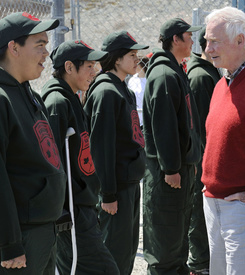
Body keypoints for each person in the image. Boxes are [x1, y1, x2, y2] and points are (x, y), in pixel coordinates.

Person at [0, 12, 67, 274]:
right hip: (18, 240)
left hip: (42, 231)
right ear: (13, 48)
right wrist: (10, 244)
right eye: (40, 45)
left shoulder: (29, 93)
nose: (47, 53)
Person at [41, 40, 120, 275]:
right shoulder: (57, 102)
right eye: (89, 66)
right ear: (69, 67)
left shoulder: (73, 97)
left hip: (84, 204)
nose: (94, 72)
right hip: (71, 212)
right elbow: (52, 162)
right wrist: (62, 208)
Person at [84, 30, 148, 275]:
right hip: (117, 187)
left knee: (128, 249)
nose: (137, 59)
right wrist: (108, 193)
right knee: (114, 251)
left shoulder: (123, 88)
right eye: (132, 55)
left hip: (129, 182)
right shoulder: (106, 92)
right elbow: (101, 147)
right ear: (117, 59)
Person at [202, 6, 245, 275]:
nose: (207, 47)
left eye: (214, 40)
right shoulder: (221, 83)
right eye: (206, 40)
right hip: (214, 202)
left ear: (240, 40)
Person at [142, 18, 201, 274]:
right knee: (166, 243)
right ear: (175, 40)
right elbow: (164, 126)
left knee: (177, 236)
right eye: (188, 36)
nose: (192, 41)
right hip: (169, 174)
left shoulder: (175, 69)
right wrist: (171, 168)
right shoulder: (164, 74)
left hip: (179, 169)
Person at [186, 27, 221, 275]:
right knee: (200, 209)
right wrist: (205, 157)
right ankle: (199, 265)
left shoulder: (209, 72)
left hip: (209, 156)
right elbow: (200, 125)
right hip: (204, 157)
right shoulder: (200, 77)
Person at [128, 56, 150, 127]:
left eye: (137, 64)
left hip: (146, 115)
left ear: (143, 66)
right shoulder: (132, 79)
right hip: (134, 115)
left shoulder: (148, 80)